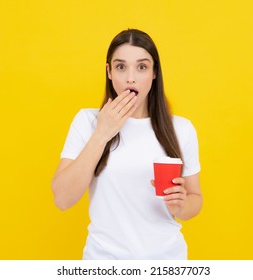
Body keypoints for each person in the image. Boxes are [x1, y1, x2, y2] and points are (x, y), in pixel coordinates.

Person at [52, 29, 203, 260]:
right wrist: (102, 133)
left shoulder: (181, 129)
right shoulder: (87, 122)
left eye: (141, 67)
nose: (130, 78)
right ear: (109, 72)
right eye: (121, 67)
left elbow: (195, 199)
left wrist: (180, 206)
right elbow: (62, 199)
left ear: (154, 73)